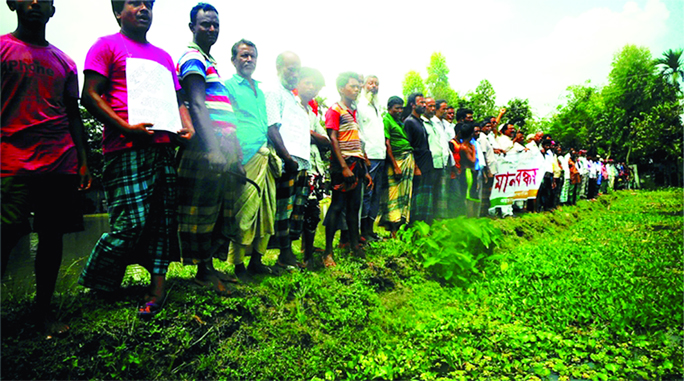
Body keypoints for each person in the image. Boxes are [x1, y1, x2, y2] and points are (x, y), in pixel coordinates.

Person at [79, 0, 195, 317]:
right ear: (118, 12)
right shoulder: (105, 46)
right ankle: (100, 282)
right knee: (129, 224)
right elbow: (89, 95)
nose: (143, 8)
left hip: (162, 147)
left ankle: (157, 290)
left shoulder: (163, 57)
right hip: (124, 148)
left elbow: (176, 98)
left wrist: (187, 124)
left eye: (148, 4)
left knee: (161, 221)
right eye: (134, 3)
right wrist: (125, 128)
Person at [2, 0, 91, 335]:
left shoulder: (64, 62)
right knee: (6, 234)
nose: (36, 3)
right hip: (11, 161)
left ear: (53, 10)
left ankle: (43, 314)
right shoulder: (2, 49)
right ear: (12, 3)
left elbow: (73, 114)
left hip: (59, 161)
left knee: (52, 238)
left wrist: (83, 161)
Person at [176, 3, 241, 295]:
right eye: (205, 24)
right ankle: (203, 272)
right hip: (205, 147)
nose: (211, 29)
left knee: (217, 210)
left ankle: (210, 268)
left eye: (215, 24)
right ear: (192, 28)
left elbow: (223, 109)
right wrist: (213, 149)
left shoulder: (210, 60)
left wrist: (233, 153)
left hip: (222, 146)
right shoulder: (192, 58)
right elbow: (197, 104)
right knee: (201, 210)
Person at [224, 39, 283, 281]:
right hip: (244, 156)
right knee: (244, 214)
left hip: (265, 155)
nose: (249, 60)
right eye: (244, 56)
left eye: (252, 56)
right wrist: (235, 158)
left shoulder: (261, 89)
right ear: (234, 60)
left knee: (267, 211)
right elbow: (227, 124)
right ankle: (238, 266)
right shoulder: (228, 86)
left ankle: (257, 261)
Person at [265, 51, 310, 269]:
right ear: (279, 67)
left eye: (297, 69)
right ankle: (283, 254)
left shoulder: (293, 96)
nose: (294, 73)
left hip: (301, 162)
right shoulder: (273, 92)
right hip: (287, 162)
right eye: (290, 68)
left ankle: (288, 254)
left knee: (295, 211)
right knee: (283, 210)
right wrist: (287, 158)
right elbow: (272, 128)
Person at [323, 72, 372, 267]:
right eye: (353, 86)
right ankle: (328, 252)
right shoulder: (335, 110)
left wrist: (364, 171)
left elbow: (357, 142)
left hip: (356, 165)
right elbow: (333, 138)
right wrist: (343, 167)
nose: (357, 89)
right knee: (336, 207)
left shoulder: (353, 112)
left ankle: (354, 246)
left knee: (353, 208)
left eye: (358, 87)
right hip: (342, 166)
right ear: (341, 88)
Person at [295, 67, 328, 269]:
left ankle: (307, 253)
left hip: (314, 168)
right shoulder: (292, 107)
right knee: (296, 211)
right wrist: (308, 134)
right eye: (307, 82)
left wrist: (309, 133)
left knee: (312, 211)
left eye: (314, 85)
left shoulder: (311, 112)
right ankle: (293, 255)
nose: (311, 87)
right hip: (298, 166)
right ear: (298, 83)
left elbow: (325, 140)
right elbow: (294, 132)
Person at [379, 96, 414, 238]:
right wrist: (395, 166)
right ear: (389, 108)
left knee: (404, 195)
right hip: (396, 161)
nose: (400, 110)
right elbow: (387, 144)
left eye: (401, 108)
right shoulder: (386, 120)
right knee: (393, 195)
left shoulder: (399, 122)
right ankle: (392, 229)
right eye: (396, 108)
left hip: (406, 159)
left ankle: (400, 228)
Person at [356, 75, 386, 242]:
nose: (374, 86)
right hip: (369, 156)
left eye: (377, 84)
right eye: (371, 83)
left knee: (376, 194)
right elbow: (360, 134)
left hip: (380, 155)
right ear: (364, 86)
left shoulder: (376, 107)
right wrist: (364, 156)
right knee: (367, 193)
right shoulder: (360, 107)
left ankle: (370, 230)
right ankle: (363, 232)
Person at [403, 93, 433, 224]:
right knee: (417, 197)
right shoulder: (409, 122)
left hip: (426, 165)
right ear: (413, 105)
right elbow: (409, 147)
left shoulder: (420, 122)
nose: (424, 105)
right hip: (418, 165)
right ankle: (414, 225)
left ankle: (423, 224)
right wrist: (415, 167)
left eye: (424, 103)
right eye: (421, 102)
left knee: (425, 198)